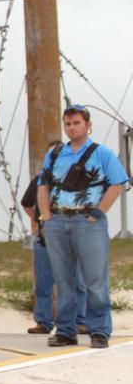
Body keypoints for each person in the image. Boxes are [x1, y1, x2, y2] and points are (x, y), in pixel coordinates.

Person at [37, 104, 128, 349]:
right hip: (58, 220)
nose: (71, 128)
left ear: (88, 125)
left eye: (77, 123)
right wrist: (46, 216)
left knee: (95, 279)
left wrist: (97, 214)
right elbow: (43, 184)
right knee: (63, 279)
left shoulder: (102, 153)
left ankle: (99, 330)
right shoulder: (55, 154)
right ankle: (66, 329)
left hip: (87, 222)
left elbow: (118, 183)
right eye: (68, 123)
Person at [20, 154, 88, 335]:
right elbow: (27, 203)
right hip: (45, 239)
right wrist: (38, 220)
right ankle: (43, 321)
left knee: (77, 281)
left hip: (72, 238)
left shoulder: (77, 179)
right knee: (43, 282)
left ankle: (80, 321)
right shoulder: (40, 181)